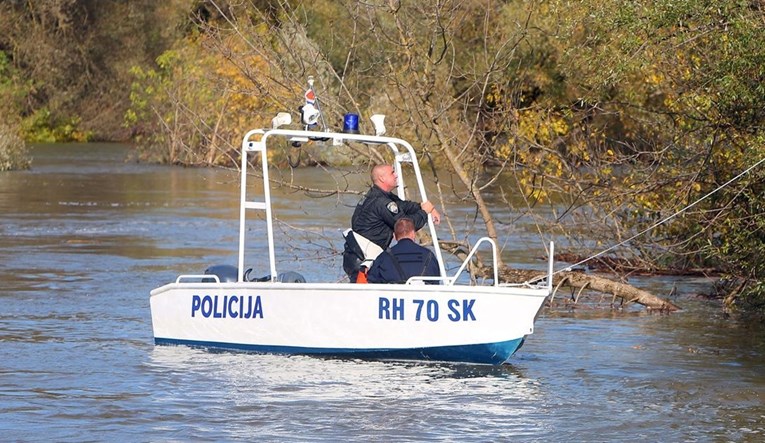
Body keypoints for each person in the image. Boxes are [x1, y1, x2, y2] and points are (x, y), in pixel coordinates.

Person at [343, 164, 441, 282]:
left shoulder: (380, 195)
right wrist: (425, 212)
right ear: (382, 178)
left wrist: (422, 206)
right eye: (392, 173)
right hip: (363, 261)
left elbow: (403, 206)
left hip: (360, 257)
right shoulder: (381, 202)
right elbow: (407, 225)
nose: (396, 175)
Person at [366, 217, 440, 284]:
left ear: (394, 236)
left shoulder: (383, 257)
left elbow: (371, 282)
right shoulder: (429, 256)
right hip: (423, 297)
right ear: (413, 234)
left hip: (389, 296)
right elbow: (436, 282)